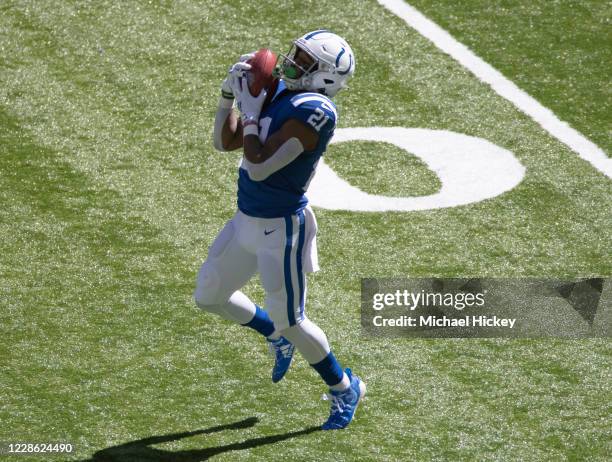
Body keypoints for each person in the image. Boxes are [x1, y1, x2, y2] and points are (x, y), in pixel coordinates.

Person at [194, 30, 365, 430]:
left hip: (282, 230)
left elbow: (258, 166)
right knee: (209, 296)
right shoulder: (283, 93)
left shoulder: (315, 111)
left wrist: (251, 112)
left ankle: (344, 387)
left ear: (324, 76)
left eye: (305, 61)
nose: (292, 63)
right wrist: (227, 96)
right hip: (246, 220)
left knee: (294, 318)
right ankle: (274, 334)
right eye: (297, 55)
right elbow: (226, 142)